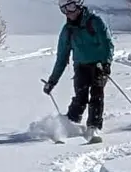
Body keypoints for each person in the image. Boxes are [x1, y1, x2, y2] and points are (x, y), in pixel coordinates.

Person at [43, 0, 115, 144]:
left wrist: (106, 63)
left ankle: (93, 127)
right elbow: (62, 58)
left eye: (71, 7)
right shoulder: (67, 30)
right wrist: (52, 81)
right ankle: (70, 125)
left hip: (99, 65)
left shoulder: (95, 22)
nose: (69, 12)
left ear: (79, 5)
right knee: (80, 97)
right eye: (64, 9)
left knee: (97, 94)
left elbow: (107, 44)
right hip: (81, 66)